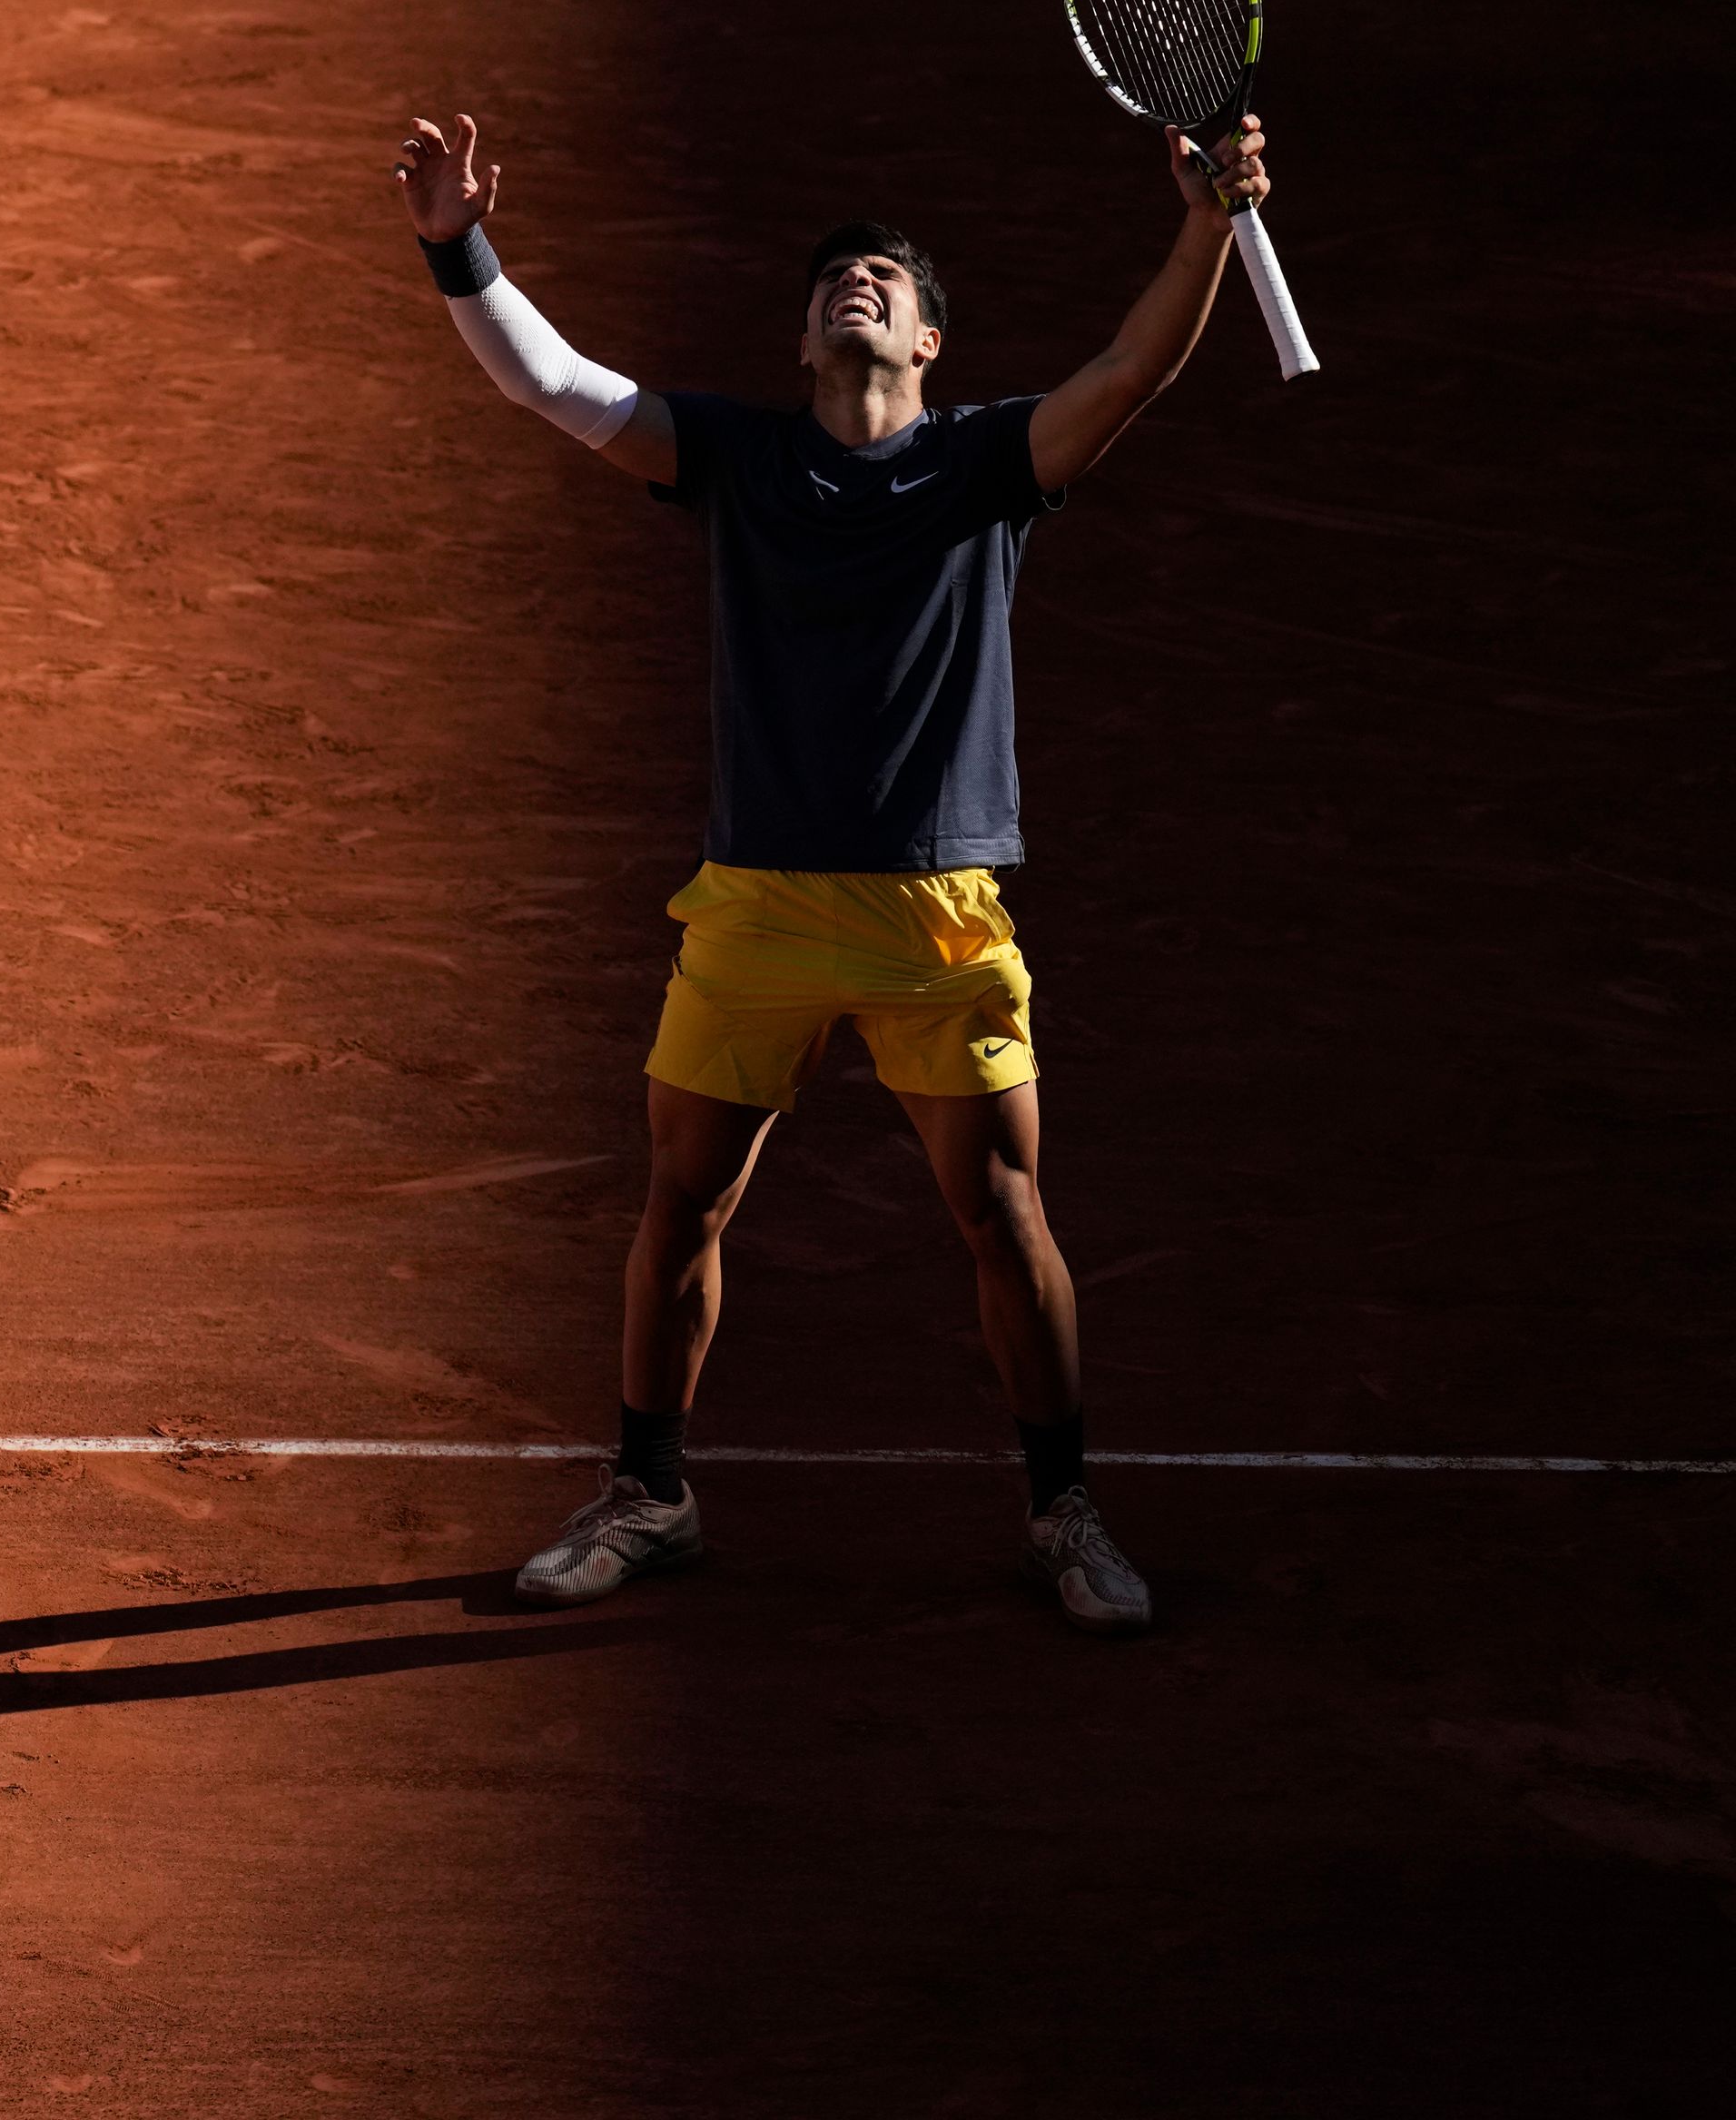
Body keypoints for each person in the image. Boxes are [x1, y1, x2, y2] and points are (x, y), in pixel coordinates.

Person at [392, 106, 1277, 1633]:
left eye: (885, 280)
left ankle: (1062, 1508)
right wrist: (456, 247)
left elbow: (1133, 370)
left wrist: (1205, 227)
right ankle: (650, 1494)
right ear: (807, 343)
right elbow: (556, 386)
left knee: (1003, 1209)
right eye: (832, 285)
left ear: (930, 342)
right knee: (686, 1199)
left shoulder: (993, 461)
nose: (853, 289)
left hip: (940, 914)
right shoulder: (735, 457)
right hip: (758, 903)